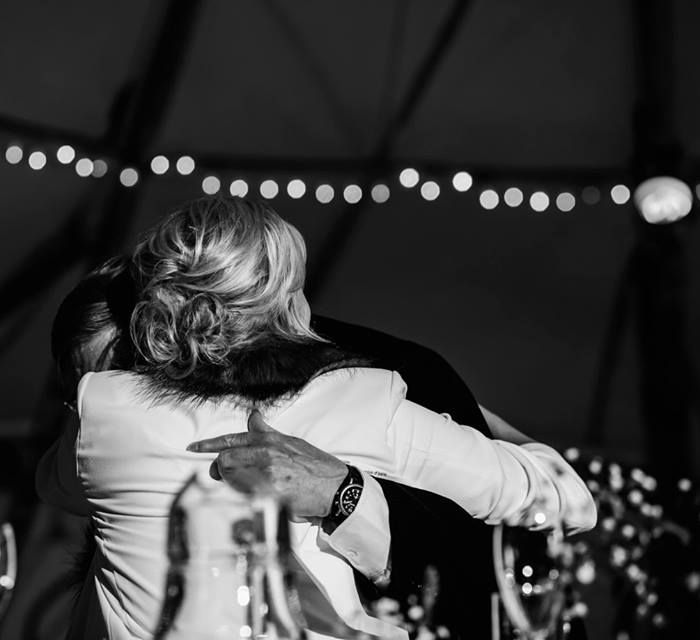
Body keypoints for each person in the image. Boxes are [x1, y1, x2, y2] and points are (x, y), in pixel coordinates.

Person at [38, 196, 596, 639]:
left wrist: (348, 496)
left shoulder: (105, 412)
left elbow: (483, 577)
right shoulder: (364, 399)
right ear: (291, 299)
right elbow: (563, 501)